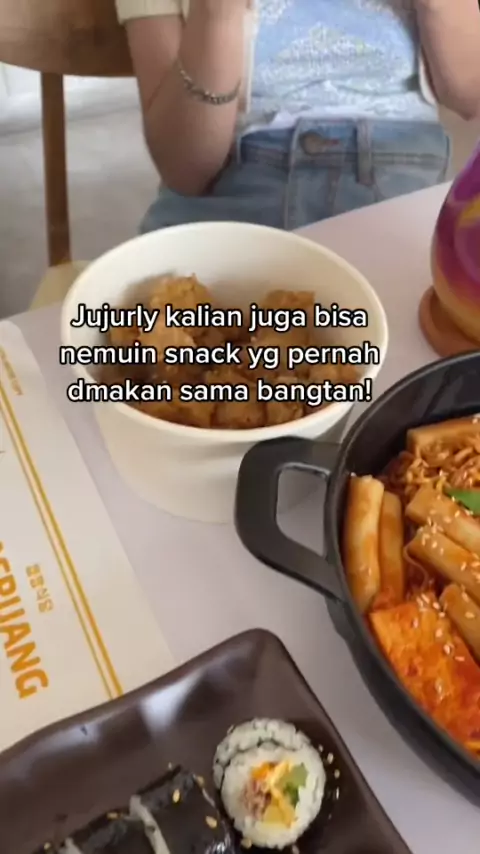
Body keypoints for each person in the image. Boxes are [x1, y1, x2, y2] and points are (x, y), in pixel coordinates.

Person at [115, 0, 480, 233]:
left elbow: (469, 95)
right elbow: (184, 170)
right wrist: (216, 14)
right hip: (230, 183)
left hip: (396, 176)